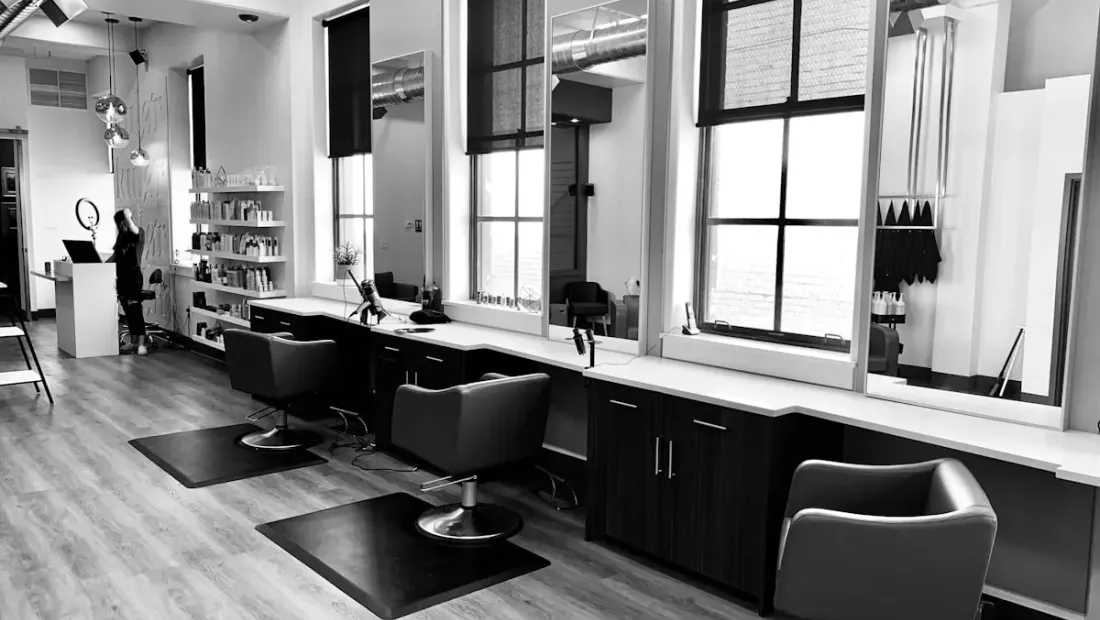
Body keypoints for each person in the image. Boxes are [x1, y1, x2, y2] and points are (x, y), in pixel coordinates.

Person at [108, 208, 147, 356]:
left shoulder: (138, 233)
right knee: (128, 312)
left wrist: (127, 215)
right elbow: (115, 256)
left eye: (121, 222)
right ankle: (133, 341)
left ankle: (142, 344)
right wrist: (99, 266)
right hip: (122, 277)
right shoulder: (121, 237)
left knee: (135, 310)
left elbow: (133, 229)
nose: (120, 226)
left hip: (133, 277)